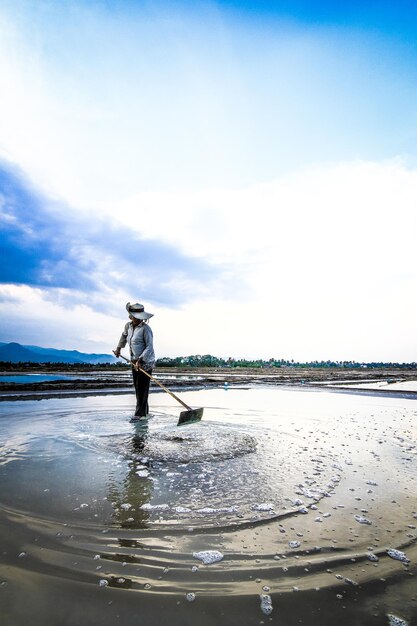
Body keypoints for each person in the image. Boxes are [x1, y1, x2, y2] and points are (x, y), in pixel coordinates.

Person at [114, 302, 155, 421]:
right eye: (135, 317)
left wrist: (140, 359)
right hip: (133, 361)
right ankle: (144, 411)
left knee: (142, 387)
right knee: (138, 387)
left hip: (145, 361)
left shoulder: (146, 329)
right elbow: (123, 336)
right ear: (131, 316)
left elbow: (149, 347)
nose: (137, 319)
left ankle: (140, 414)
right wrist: (118, 349)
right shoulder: (128, 326)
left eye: (139, 318)